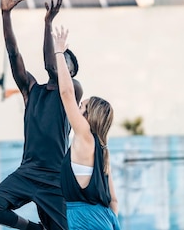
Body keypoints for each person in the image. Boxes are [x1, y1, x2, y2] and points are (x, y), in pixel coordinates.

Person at [0, 0, 82, 230]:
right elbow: (13, 53)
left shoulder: (72, 91)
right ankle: (34, 229)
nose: (60, 62)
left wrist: (47, 24)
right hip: (28, 173)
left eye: (65, 60)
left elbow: (51, 65)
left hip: (55, 179)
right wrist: (5, 14)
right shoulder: (31, 90)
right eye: (61, 56)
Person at [52, 25, 121, 230]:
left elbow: (66, 93)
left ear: (89, 116)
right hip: (104, 222)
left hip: (86, 222)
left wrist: (59, 51)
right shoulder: (103, 151)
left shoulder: (85, 136)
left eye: (82, 106)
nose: (77, 107)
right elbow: (113, 202)